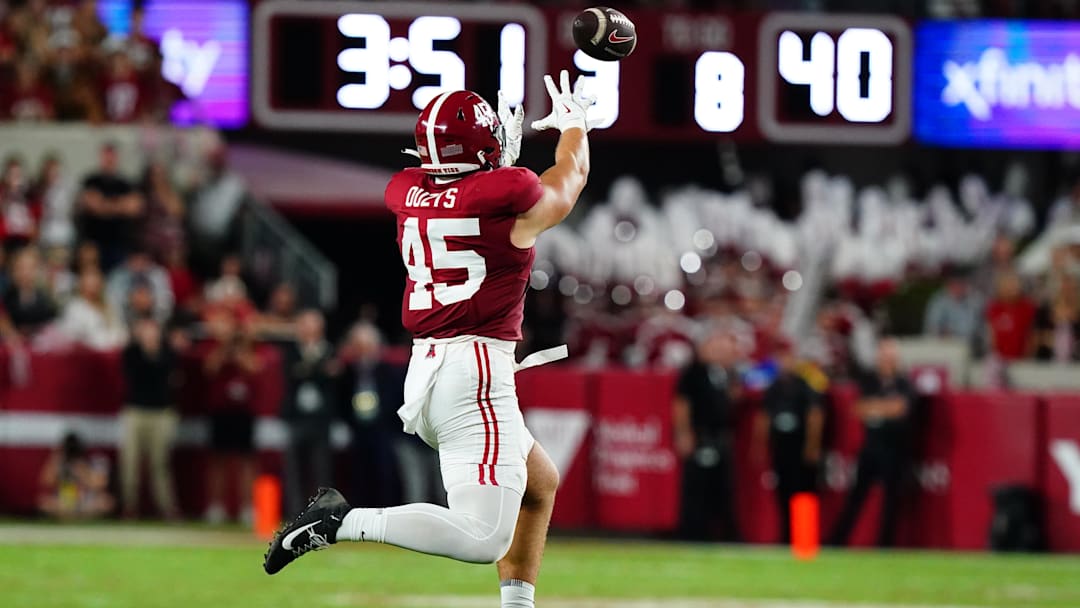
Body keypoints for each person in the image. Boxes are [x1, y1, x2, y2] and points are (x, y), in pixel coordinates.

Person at [264, 72, 598, 608]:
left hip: (430, 368)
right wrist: (575, 124)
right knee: (484, 536)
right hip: (476, 376)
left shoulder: (409, 196)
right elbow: (570, 177)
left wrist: (489, 166)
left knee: (539, 483)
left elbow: (457, 190)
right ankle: (341, 521)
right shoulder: (507, 205)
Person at [828, 338, 914, 548]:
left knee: (890, 502)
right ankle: (838, 541)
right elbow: (859, 408)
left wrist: (877, 408)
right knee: (855, 497)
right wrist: (885, 408)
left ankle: (885, 545)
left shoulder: (904, 383)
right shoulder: (869, 380)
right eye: (883, 356)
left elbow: (901, 409)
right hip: (871, 447)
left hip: (894, 449)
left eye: (889, 357)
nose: (886, 361)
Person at [672, 327, 743, 542]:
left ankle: (719, 534)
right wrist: (683, 433)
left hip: (720, 438)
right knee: (696, 488)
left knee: (720, 489)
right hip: (700, 436)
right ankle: (692, 533)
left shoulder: (723, 374)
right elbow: (681, 404)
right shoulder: (693, 372)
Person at [754, 340, 824, 544]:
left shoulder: (805, 385)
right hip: (781, 448)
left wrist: (812, 446)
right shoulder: (773, 387)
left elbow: (815, 415)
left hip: (800, 447)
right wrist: (760, 446)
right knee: (783, 493)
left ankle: (805, 538)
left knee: (803, 494)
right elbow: (764, 417)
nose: (785, 362)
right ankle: (786, 537)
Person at [337, 321, 413, 508]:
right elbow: (341, 399)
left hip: (383, 430)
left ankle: (384, 512)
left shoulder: (388, 371)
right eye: (358, 346)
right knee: (358, 474)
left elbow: (396, 399)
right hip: (358, 430)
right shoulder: (348, 372)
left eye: (366, 346)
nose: (363, 351)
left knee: (384, 474)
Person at [202, 307, 261, 525]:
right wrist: (224, 347)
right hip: (221, 410)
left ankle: (248, 507)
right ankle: (216, 507)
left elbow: (254, 368)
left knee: (247, 462)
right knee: (218, 460)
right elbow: (209, 368)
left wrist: (240, 347)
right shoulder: (216, 348)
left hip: (243, 411)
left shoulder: (249, 349)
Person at [119, 316, 181, 520]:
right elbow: (132, 372)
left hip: (162, 413)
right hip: (136, 411)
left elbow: (171, 376)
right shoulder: (132, 353)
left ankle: (166, 508)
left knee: (160, 463)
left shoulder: (168, 353)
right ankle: (129, 507)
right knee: (130, 462)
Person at [280, 310, 338, 516]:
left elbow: (334, 376)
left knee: (322, 467)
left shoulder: (330, 349)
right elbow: (292, 374)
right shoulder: (291, 350)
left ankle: (322, 512)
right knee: (294, 468)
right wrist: (320, 369)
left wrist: (310, 370)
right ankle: (295, 511)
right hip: (296, 418)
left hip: (320, 420)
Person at [76, 142, 143, 271]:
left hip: (119, 243)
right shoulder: (91, 180)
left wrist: (104, 204)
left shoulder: (126, 183)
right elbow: (93, 205)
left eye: (112, 157)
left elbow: (133, 208)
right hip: (94, 241)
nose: (109, 160)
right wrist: (120, 205)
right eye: (106, 157)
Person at [38, 432, 115, 519]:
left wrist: (83, 471)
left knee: (106, 502)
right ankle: (72, 515)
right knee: (44, 503)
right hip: (66, 501)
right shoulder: (60, 461)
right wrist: (56, 460)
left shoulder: (96, 460)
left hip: (87, 502)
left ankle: (75, 515)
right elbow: (47, 481)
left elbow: (100, 484)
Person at [57, 267, 128, 350]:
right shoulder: (74, 308)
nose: (94, 282)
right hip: (89, 356)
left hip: (116, 353)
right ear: (81, 283)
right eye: (89, 278)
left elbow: (122, 330)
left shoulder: (111, 303)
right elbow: (74, 338)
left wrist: (118, 341)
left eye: (97, 277)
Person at [922, 268, 984, 351]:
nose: (958, 287)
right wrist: (944, 333)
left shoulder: (975, 299)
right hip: (945, 348)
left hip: (971, 347)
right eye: (955, 283)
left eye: (961, 283)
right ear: (949, 284)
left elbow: (980, 326)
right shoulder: (938, 302)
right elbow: (932, 327)